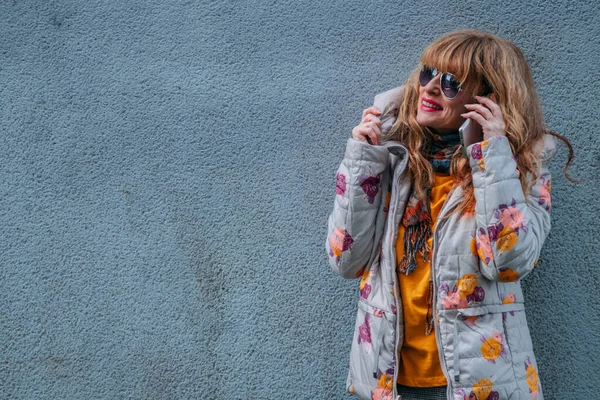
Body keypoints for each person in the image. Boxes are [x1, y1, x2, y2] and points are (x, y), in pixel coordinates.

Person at [325, 30, 575, 400]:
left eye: (450, 83)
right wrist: (363, 161)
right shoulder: (390, 162)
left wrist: (492, 157)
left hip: (479, 384)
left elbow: (506, 263)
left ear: (487, 101)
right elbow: (344, 261)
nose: (429, 89)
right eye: (428, 74)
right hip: (389, 381)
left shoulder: (521, 174)